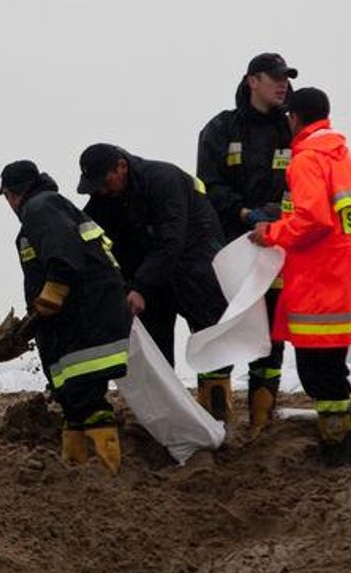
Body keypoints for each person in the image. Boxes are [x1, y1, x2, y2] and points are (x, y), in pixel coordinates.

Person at [250, 87, 351, 466]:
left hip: (320, 286)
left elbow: (313, 220)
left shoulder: (307, 159)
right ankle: (344, 446)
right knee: (332, 373)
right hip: (346, 281)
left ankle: (337, 452)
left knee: (319, 376)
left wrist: (270, 233)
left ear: (295, 117)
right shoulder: (341, 155)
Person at [76, 144, 234, 421]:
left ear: (121, 167)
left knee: (210, 341)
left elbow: (169, 243)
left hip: (194, 268)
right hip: (150, 277)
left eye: (104, 182)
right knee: (157, 350)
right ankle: (170, 417)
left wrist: (139, 287)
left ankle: (216, 412)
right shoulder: (106, 196)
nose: (100, 190)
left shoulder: (164, 180)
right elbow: (92, 237)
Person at [0, 160, 131, 474]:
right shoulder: (50, 205)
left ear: (12, 194)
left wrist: (54, 289)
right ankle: (75, 471)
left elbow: (62, 249)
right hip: (79, 319)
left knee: (87, 397)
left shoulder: (40, 207)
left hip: (86, 320)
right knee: (73, 400)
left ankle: (106, 473)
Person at [198, 53, 299, 435]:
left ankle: (261, 422)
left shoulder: (292, 131)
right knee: (222, 325)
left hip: (275, 249)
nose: (282, 84)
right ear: (251, 81)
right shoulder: (221, 129)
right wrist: (242, 213)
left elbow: (304, 184)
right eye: (275, 77)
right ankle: (214, 421)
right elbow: (208, 184)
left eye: (286, 78)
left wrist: (279, 211)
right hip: (228, 249)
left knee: (271, 335)